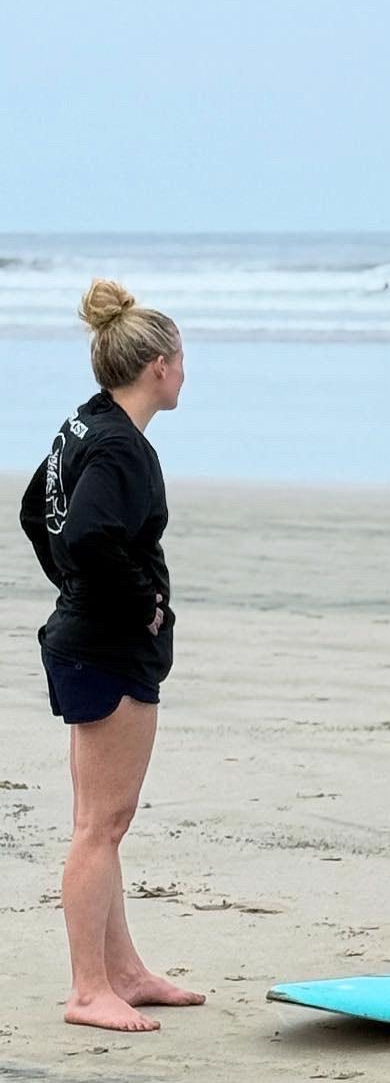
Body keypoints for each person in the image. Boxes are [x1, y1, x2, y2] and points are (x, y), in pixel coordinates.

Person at [18, 280, 203, 1032]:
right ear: (158, 365)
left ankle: (122, 970)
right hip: (105, 645)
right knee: (101, 823)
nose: (187, 373)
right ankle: (88, 988)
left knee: (104, 819)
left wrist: (75, 584)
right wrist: (140, 602)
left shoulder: (84, 424)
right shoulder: (123, 445)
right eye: (184, 359)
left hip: (86, 636)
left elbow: (38, 511)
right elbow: (86, 531)